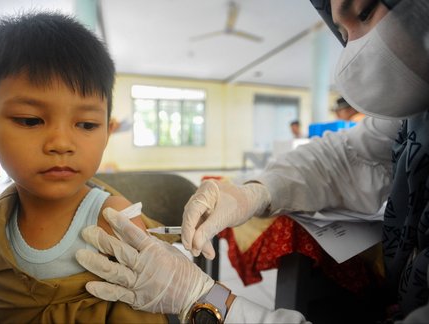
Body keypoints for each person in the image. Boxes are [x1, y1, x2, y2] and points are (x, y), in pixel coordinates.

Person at [75, 0, 429, 323]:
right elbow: (349, 156)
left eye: (365, 11)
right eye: (29, 119)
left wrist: (204, 299)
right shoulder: (415, 119)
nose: (60, 143)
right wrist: (255, 192)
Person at [0, 12, 168, 323]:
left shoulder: (115, 223)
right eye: (30, 120)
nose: (61, 143)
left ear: (107, 130)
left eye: (87, 124)